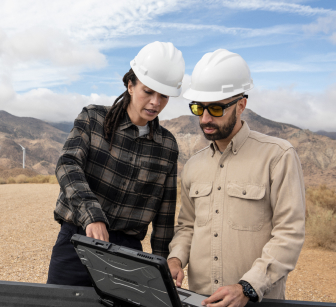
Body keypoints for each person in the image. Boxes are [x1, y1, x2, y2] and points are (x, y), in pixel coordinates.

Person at [167, 49, 305, 307]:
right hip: (202, 301)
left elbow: (290, 233)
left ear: (241, 104)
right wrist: (176, 259)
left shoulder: (278, 155)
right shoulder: (194, 165)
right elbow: (187, 226)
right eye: (198, 108)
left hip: (257, 302)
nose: (205, 119)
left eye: (216, 109)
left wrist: (247, 287)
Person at [46, 41, 185, 287]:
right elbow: (68, 165)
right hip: (78, 240)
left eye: (163, 95)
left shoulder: (167, 146)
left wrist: (162, 264)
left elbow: (165, 212)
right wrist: (92, 215)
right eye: (148, 91)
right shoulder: (93, 119)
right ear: (130, 86)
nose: (155, 102)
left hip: (129, 253)